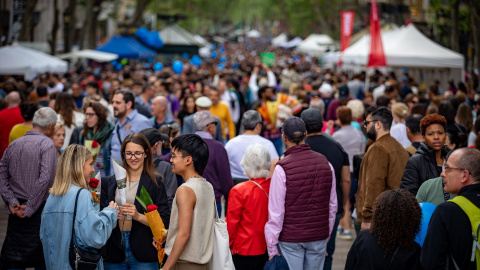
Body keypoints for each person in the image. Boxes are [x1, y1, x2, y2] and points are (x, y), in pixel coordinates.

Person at [265, 116, 337, 270]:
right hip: (318, 236)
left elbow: (276, 212)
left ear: (284, 138)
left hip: (291, 237)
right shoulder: (326, 163)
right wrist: (327, 236)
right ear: (305, 135)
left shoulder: (281, 167)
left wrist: (271, 247)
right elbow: (332, 206)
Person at [40, 144, 119, 269]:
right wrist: (110, 212)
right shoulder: (81, 194)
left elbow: (44, 237)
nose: (93, 169)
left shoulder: (52, 196)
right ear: (79, 166)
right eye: (90, 164)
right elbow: (95, 238)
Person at [101, 132, 170, 269]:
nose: (133, 158)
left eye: (137, 153)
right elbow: (99, 215)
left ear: (146, 153)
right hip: (114, 250)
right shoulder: (109, 182)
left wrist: (138, 216)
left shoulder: (156, 183)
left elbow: (164, 222)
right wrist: (111, 214)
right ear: (123, 155)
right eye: (129, 153)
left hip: (143, 249)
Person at [0, 107, 58, 269]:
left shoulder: (14, 144)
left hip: (17, 209)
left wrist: (12, 201)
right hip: (37, 212)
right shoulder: (47, 144)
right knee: (41, 259)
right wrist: (30, 206)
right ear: (51, 126)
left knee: (13, 259)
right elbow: (45, 179)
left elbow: (2, 174)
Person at [300, 108, 350, 270]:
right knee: (328, 252)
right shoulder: (337, 147)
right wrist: (344, 202)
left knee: (303, 253)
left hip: (304, 209)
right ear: (321, 124)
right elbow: (346, 179)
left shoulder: (299, 149)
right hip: (331, 207)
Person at [160, 134, 216, 270]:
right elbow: (197, 224)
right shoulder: (207, 185)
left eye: (174, 156)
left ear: (188, 160)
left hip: (185, 263)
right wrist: (168, 234)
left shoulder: (185, 189)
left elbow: (184, 234)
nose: (170, 160)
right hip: (203, 262)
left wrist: (166, 268)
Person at [421, 148, 480, 270]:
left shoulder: (446, 212)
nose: (442, 173)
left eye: (447, 169)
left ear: (464, 175)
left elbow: (430, 263)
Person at [357, 107, 409, 231]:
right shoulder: (399, 147)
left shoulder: (378, 148)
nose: (365, 126)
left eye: (367, 123)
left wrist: (367, 218)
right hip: (395, 214)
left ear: (378, 124)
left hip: (380, 219)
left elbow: (374, 184)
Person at [345, 189, 422, 270]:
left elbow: (349, 265)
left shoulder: (363, 238)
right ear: (412, 218)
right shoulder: (413, 250)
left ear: (378, 213)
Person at [226, 144, 271, 269]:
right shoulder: (274, 186)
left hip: (244, 248)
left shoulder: (239, 190)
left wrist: (227, 247)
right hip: (268, 247)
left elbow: (232, 224)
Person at [332, 106, 365, 241]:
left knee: (344, 201)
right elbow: (361, 150)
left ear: (339, 118)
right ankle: (341, 225)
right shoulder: (358, 133)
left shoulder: (337, 135)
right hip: (356, 171)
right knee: (349, 201)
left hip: (343, 171)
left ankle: (346, 229)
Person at [193, 111, 233, 216]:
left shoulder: (185, 145)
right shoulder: (217, 147)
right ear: (209, 127)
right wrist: (230, 198)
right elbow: (225, 178)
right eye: (215, 124)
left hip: (189, 197)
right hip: (212, 200)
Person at [401, 113, 450, 195]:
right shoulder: (415, 161)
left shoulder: (452, 157)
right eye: (430, 134)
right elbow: (409, 194)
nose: (436, 137)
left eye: (440, 133)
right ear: (423, 137)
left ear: (445, 135)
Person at [225, 110, 278, 185]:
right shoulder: (267, 144)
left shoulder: (230, 143)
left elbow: (224, 166)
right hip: (260, 186)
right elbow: (274, 164)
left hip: (235, 185)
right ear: (257, 125)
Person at [110, 90, 151, 175]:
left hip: (133, 175)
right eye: (113, 102)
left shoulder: (141, 121)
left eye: (117, 102)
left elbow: (149, 151)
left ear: (128, 104)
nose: (113, 105)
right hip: (116, 175)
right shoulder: (117, 122)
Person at [70, 101, 114, 176]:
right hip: (86, 178)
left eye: (91, 115)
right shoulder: (82, 132)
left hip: (104, 177)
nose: (87, 117)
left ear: (100, 116)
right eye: (86, 114)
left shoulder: (110, 132)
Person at [139, 128, 178, 211]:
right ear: (156, 146)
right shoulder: (166, 167)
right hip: (159, 219)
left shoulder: (131, 165)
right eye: (161, 143)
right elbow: (170, 198)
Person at [0, 91, 24, 158]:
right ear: (20, 102)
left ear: (7, 102)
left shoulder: (1, 115)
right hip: (20, 153)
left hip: (3, 152)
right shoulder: (24, 115)